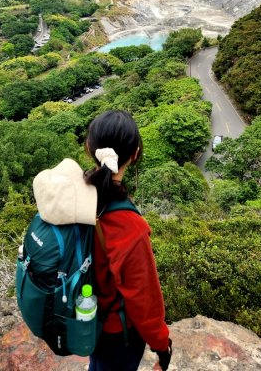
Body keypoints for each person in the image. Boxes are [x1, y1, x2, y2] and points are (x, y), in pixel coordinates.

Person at [84, 110, 172, 371]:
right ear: (134, 154)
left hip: (84, 317)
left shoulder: (75, 196)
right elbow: (143, 298)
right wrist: (161, 344)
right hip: (114, 333)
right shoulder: (130, 227)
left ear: (90, 148)